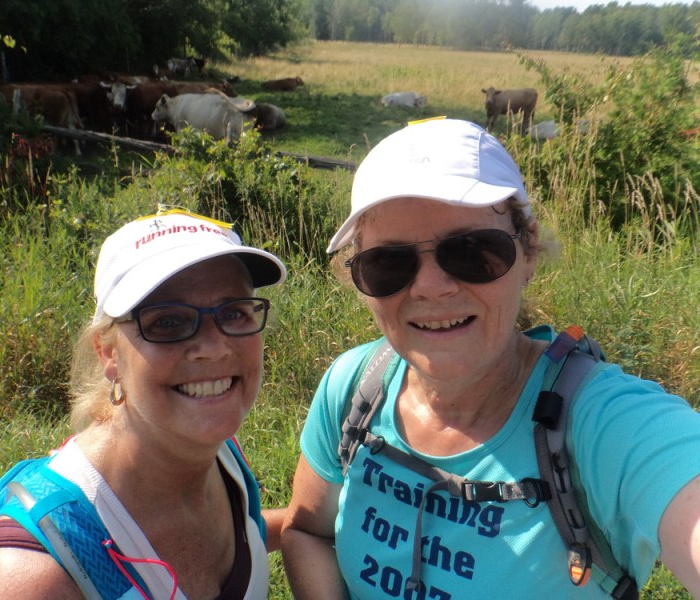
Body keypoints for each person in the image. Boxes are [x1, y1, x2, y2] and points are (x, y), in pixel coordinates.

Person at [281, 118, 700, 598]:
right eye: (388, 263)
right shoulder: (356, 384)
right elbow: (309, 531)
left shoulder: (606, 424)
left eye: (472, 251)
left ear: (528, 252)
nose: (430, 287)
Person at [0, 208, 287, 600]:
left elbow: (247, 534)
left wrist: (318, 522)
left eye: (233, 312)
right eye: (168, 321)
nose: (214, 348)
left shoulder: (224, 459)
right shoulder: (34, 576)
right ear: (108, 353)